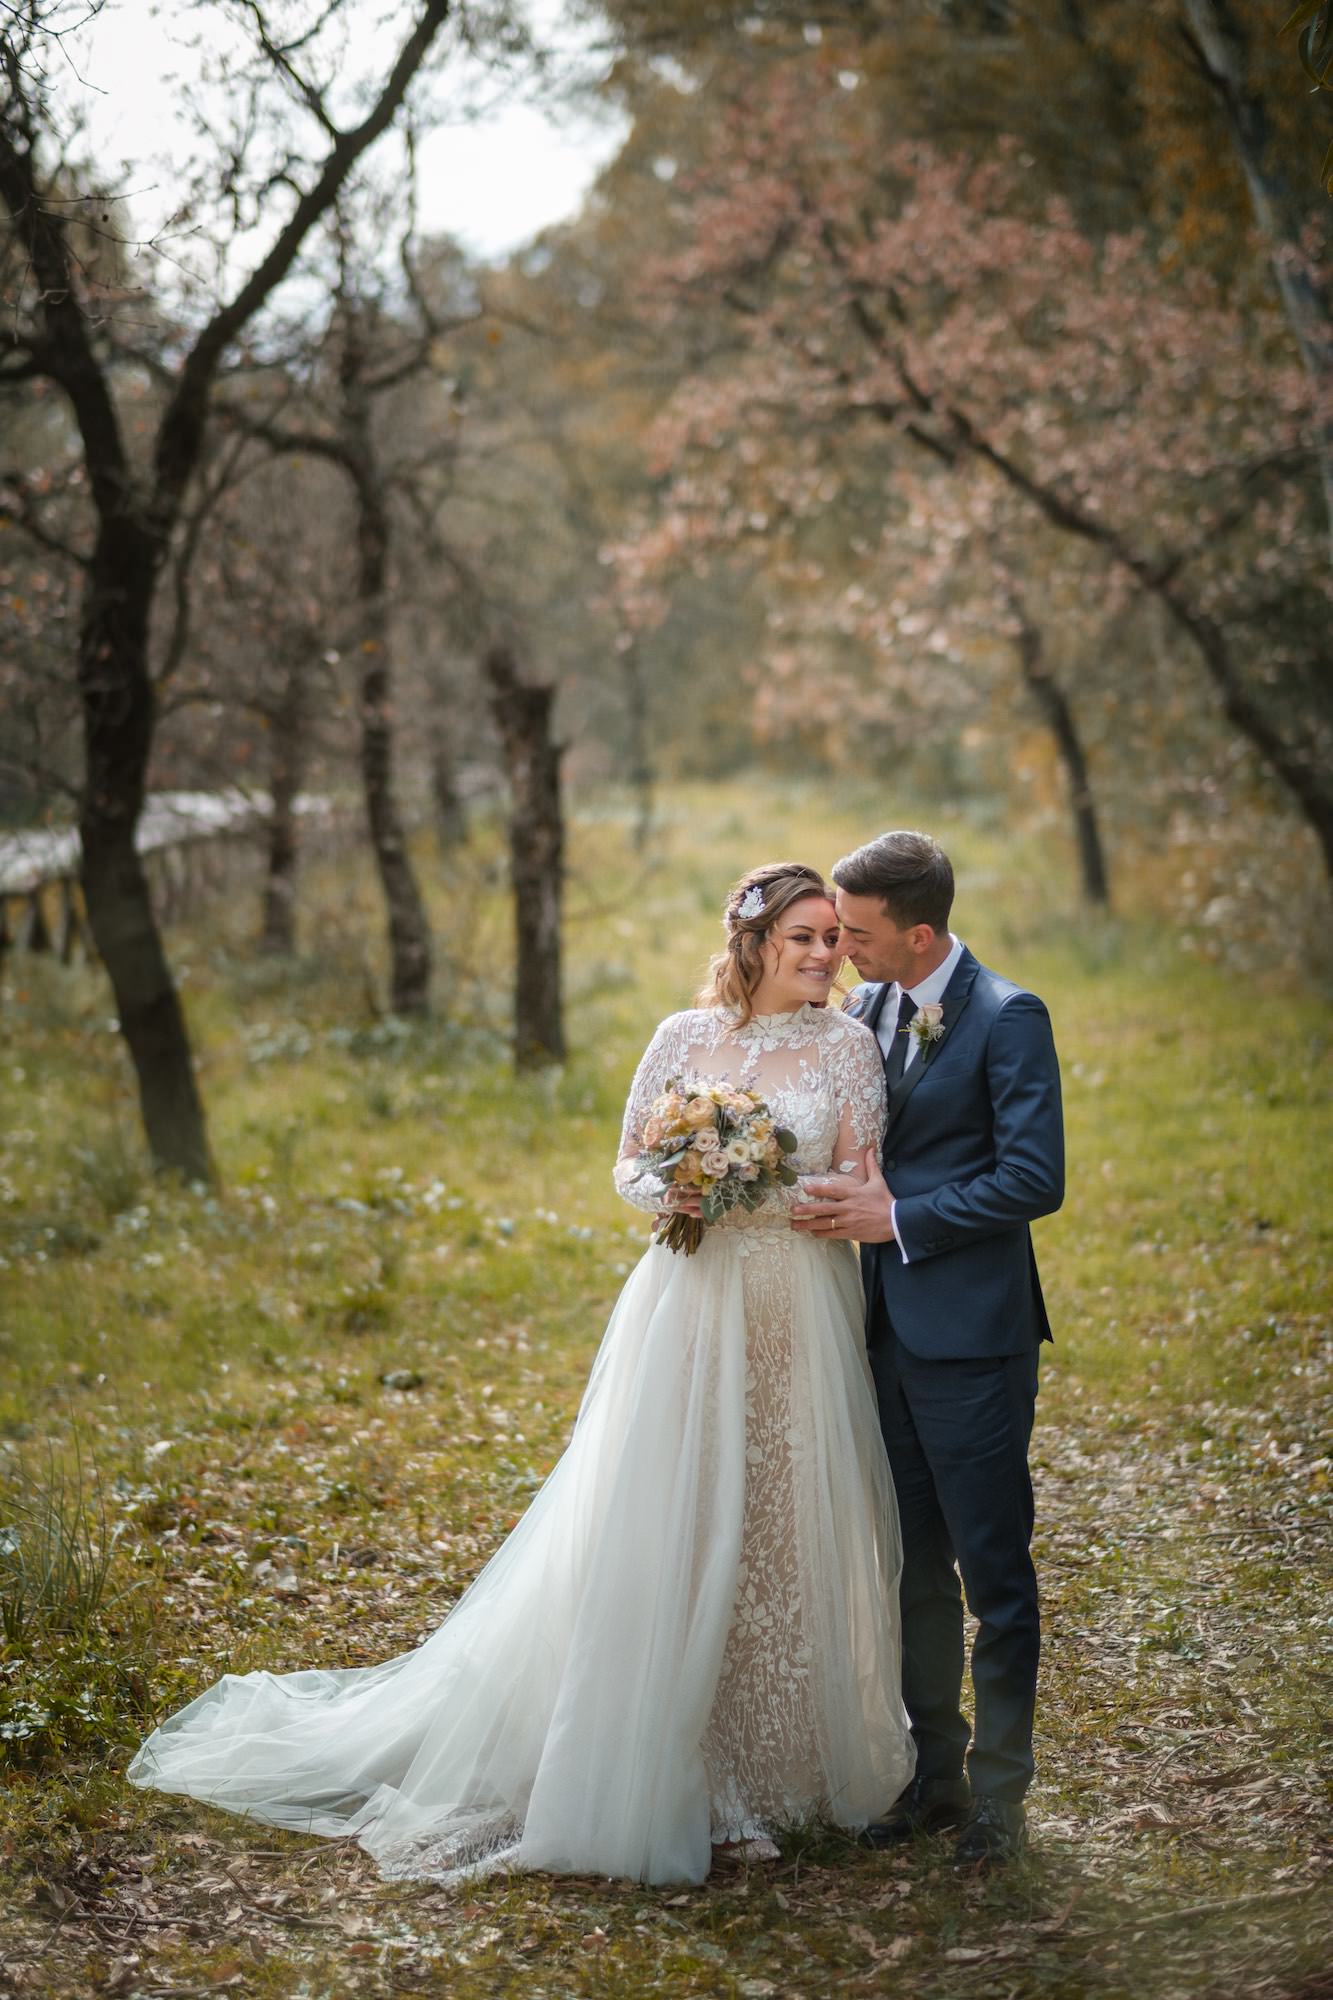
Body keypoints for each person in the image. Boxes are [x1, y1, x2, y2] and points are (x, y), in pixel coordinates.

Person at [127, 862, 914, 1887]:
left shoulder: (847, 1046)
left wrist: (754, 1175)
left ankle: (779, 1771)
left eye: (830, 938)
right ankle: (687, 1770)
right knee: (672, 1515)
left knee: (777, 1516)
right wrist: (682, 1181)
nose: (823, 956)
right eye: (802, 937)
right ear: (754, 940)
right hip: (688, 1307)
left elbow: (859, 1177)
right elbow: (627, 1161)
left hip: (798, 1305)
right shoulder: (680, 1038)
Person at [793, 830, 1064, 1870]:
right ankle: (932, 1776)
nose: (840, 952)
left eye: (856, 935)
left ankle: (1002, 1796)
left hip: (973, 1339)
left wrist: (897, 1216)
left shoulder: (1007, 1017)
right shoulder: (864, 1011)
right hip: (879, 1337)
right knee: (911, 1565)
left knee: (993, 1571)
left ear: (917, 932)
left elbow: (1034, 1177)